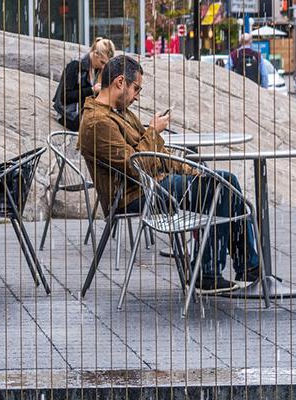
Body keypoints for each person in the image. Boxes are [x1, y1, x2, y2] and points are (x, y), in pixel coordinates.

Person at [77, 55, 262, 292]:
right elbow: (136, 167)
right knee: (221, 187)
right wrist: (153, 131)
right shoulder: (97, 122)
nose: (137, 96)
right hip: (133, 196)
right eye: (136, 88)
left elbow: (160, 157)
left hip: (153, 186)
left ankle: (245, 268)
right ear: (120, 82)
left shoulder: (119, 112)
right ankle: (211, 274)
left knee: (221, 181)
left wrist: (196, 172)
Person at [53, 37, 116, 131]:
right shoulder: (75, 65)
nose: (103, 67)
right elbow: (65, 97)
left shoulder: (97, 69)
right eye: (102, 62)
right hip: (68, 114)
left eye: (106, 64)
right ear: (95, 53)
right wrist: (91, 90)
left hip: (83, 112)